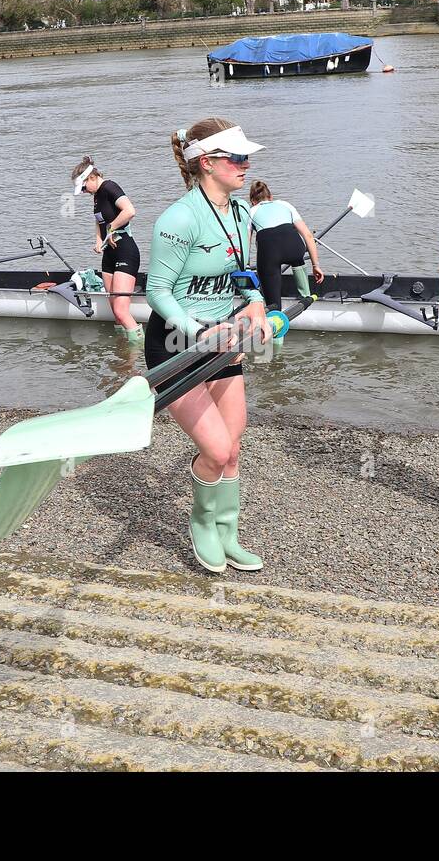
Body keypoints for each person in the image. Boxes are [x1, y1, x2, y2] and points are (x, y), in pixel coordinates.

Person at [147, 119, 271, 573]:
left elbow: (241, 273)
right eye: (236, 157)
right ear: (207, 162)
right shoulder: (178, 219)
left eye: (245, 156)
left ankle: (229, 534)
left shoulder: (240, 213)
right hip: (177, 344)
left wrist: (256, 302)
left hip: (223, 341)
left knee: (233, 447)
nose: (246, 164)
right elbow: (157, 291)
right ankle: (202, 524)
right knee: (216, 450)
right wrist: (196, 331)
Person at [72, 157, 142, 342]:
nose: (85, 192)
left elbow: (129, 211)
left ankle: (138, 352)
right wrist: (98, 240)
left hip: (125, 250)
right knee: (115, 311)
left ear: (92, 178)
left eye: (84, 187)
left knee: (121, 309)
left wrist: (111, 229)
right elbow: (99, 219)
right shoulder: (96, 195)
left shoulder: (110, 187)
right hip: (109, 254)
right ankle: (122, 352)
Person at [247, 181, 324, 329]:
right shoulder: (285, 204)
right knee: (297, 259)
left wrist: (244, 270)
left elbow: (246, 243)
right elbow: (308, 235)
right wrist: (316, 266)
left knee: (273, 305)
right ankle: (306, 295)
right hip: (295, 249)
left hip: (270, 254)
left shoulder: (251, 211)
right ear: (271, 196)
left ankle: (275, 321)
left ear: (252, 201)